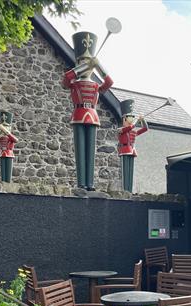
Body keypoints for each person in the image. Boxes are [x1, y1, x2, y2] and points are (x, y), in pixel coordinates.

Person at [63, 31, 114, 191]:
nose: (87, 66)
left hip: (92, 115)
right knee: (80, 149)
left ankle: (90, 183)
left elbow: (109, 82)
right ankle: (81, 183)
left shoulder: (95, 85)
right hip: (78, 115)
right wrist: (84, 66)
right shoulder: (74, 82)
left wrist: (98, 66)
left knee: (90, 150)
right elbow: (66, 79)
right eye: (82, 62)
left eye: (88, 63)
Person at [117, 99, 148, 192]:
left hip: (132, 150)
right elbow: (130, 127)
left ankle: (129, 190)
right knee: (125, 171)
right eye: (129, 118)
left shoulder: (133, 132)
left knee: (130, 172)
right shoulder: (121, 130)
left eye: (132, 118)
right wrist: (136, 121)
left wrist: (143, 120)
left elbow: (145, 128)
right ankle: (125, 190)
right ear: (124, 119)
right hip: (124, 150)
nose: (131, 120)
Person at [0, 111, 18, 183]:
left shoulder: (9, 137)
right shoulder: (1, 137)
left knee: (8, 170)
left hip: (9, 153)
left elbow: (15, 140)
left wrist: (7, 133)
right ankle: (3, 182)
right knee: (3, 169)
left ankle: (8, 182)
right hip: (2, 152)